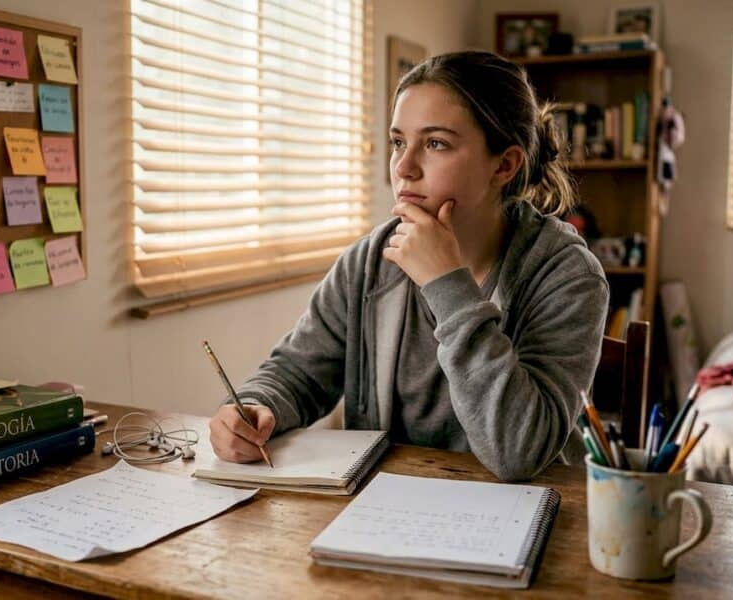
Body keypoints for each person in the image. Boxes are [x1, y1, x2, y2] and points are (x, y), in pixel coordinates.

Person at [208, 51, 610, 482]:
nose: (403, 167)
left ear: (504, 164)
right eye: (399, 142)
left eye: (435, 144)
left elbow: (519, 451)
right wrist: (256, 405)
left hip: (517, 520)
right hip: (382, 511)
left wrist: (446, 284)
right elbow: (298, 371)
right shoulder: (369, 261)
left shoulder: (566, 275)